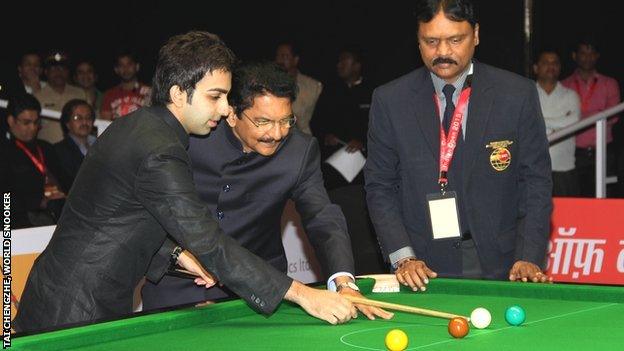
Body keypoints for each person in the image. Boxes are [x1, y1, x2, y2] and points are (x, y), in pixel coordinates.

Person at [14, 31, 357, 334]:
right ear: (179, 93)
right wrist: (303, 293)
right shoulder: (160, 148)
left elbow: (120, 216)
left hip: (69, 296)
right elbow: (207, 239)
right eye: (215, 96)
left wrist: (177, 255)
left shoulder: (140, 126)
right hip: (77, 308)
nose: (225, 109)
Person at [141, 62, 392, 321]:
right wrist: (174, 255)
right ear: (232, 113)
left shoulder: (299, 151)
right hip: (182, 284)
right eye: (263, 121)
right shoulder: (188, 139)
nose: (276, 133)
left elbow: (322, 217)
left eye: (286, 121)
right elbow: (141, 213)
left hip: (261, 292)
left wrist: (344, 282)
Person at [364, 0, 553, 292]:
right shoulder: (390, 100)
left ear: (475, 35)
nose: (442, 52)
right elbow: (380, 187)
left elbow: (535, 182)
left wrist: (528, 257)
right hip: (422, 268)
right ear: (417, 40)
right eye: (431, 41)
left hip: (503, 264)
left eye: (455, 40)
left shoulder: (516, 94)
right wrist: (403, 257)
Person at [312, 48, 386, 274]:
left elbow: (382, 130)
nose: (340, 65)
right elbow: (315, 124)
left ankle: (372, 274)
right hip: (336, 176)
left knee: (365, 230)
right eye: (339, 60)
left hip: (365, 176)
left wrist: (362, 141)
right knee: (341, 228)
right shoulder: (330, 91)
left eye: (345, 60)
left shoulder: (375, 92)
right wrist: (327, 135)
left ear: (357, 65)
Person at [561, 38, 621, 197]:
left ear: (597, 56)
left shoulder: (609, 83)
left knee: (604, 197)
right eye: (583, 53)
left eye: (592, 53)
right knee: (577, 197)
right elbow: (562, 119)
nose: (588, 57)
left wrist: (577, 117)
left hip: (604, 151)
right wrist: (597, 113)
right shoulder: (564, 85)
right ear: (574, 56)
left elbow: (613, 117)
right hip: (574, 153)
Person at [0, 94, 69, 228]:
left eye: (36, 122)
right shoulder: (3, 151)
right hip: (17, 223)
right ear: (11, 121)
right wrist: (38, 201)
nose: (33, 127)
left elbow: (65, 179)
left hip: (56, 216)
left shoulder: (46, 148)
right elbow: (4, 199)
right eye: (26, 122)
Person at [533, 49, 581, 197]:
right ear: (536, 68)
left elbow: (574, 122)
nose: (551, 66)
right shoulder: (526, 93)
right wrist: (560, 123)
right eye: (546, 62)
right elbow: (524, 123)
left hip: (564, 168)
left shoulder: (570, 95)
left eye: (555, 63)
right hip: (533, 169)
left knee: (569, 218)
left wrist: (540, 121)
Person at [34, 51, 88, 144]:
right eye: (54, 68)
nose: (58, 72)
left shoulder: (79, 93)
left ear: (67, 72)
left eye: (62, 68)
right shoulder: (37, 96)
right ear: (46, 72)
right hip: (49, 149)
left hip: (77, 149)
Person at [275, 42, 322, 135]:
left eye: (284, 56)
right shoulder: (269, 84)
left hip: (304, 139)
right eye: (277, 56)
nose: (279, 60)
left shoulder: (313, 86)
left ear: (295, 60)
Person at [54, 99, 96, 187]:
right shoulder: (59, 151)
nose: (84, 122)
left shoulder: (102, 145)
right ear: (67, 123)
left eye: (88, 117)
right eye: (78, 118)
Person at [100, 51, 151, 120]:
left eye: (129, 64)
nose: (125, 68)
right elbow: (105, 123)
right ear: (116, 70)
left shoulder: (149, 92)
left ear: (137, 67)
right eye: (121, 65)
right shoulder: (109, 95)